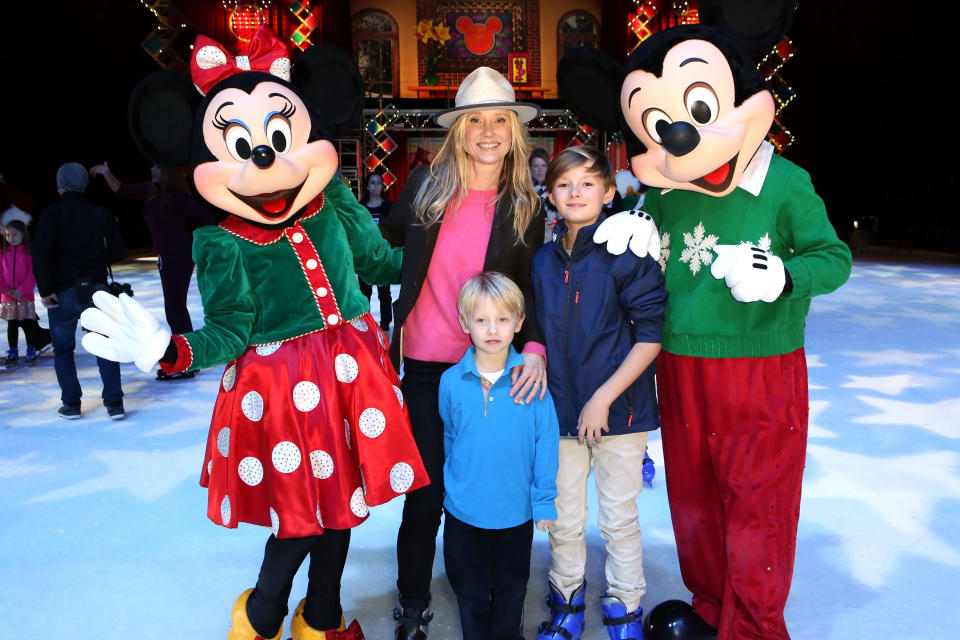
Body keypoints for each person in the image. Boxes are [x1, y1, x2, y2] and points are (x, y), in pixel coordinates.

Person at [80, 28, 426, 640]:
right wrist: (170, 350)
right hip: (279, 391)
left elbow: (382, 265)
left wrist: (453, 250)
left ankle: (321, 617)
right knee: (300, 517)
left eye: (278, 137)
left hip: (351, 374)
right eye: (240, 146)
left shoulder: (337, 201)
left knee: (343, 506)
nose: (265, 158)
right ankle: (261, 615)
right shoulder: (221, 240)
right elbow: (229, 330)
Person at [379, 66, 547, 640]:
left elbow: (535, 285)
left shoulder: (526, 204)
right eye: (475, 119)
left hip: (492, 368)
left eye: (500, 119)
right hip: (427, 364)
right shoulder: (426, 191)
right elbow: (376, 246)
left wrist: (537, 348)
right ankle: (412, 600)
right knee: (427, 493)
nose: (488, 130)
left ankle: (489, 599)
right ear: (458, 130)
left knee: (487, 489)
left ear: (515, 130)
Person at [530, 147, 666, 640]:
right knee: (563, 518)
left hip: (619, 413)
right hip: (561, 414)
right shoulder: (542, 260)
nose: (575, 193)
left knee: (619, 520)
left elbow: (651, 335)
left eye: (588, 184)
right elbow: (536, 329)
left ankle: (624, 606)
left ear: (609, 193)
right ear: (551, 193)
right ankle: (567, 600)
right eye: (565, 184)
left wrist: (603, 398)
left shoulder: (626, 256)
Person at [440, 272, 559, 640]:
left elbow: (546, 443)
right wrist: (452, 490)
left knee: (511, 593)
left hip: (514, 513)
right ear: (465, 324)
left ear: (519, 323)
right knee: (470, 593)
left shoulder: (532, 382)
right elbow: (450, 436)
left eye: (503, 319)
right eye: (481, 320)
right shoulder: (450, 382)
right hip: (463, 512)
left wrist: (543, 501)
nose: (493, 329)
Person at [89, 162, 218, 380]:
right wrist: (106, 172)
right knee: (174, 308)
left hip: (178, 256)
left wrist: (201, 243)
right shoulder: (152, 191)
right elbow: (121, 190)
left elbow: (209, 218)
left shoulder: (176, 196)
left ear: (167, 172)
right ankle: (187, 358)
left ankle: (187, 361)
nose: (151, 171)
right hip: (167, 257)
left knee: (175, 309)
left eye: (156, 168)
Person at [33, 162, 126, 419]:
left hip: (62, 289)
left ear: (60, 186)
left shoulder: (51, 214)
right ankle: (114, 403)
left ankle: (72, 404)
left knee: (63, 349)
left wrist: (45, 289)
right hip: (96, 287)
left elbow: (41, 254)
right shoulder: (100, 213)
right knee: (104, 344)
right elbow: (119, 251)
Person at [1, 220, 50, 366]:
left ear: (23, 234)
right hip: (8, 296)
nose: (11, 238)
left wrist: (21, 290)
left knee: (28, 324)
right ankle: (12, 350)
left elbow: (32, 275)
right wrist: (6, 290)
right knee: (12, 325)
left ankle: (31, 347)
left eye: (15, 234)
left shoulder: (28, 253)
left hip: (25, 296)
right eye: (8, 235)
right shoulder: (3, 254)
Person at [358, 172, 394, 331]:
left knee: (384, 293)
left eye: (379, 182)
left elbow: (395, 230)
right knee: (364, 293)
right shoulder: (361, 208)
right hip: (365, 257)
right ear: (367, 186)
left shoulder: (389, 207)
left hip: (383, 256)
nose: (376, 185)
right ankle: (365, 326)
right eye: (372, 183)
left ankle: (385, 325)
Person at [529, 148, 556, 243]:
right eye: (536, 166)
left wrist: (555, 223)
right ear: (530, 169)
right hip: (531, 240)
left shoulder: (555, 189)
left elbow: (564, 217)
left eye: (543, 166)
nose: (540, 170)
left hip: (552, 239)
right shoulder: (524, 191)